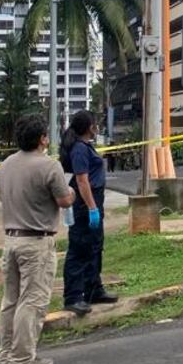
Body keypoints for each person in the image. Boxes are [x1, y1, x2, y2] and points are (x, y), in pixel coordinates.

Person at [0, 114, 74, 364]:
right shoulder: (49, 166)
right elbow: (64, 200)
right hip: (36, 241)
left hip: (11, 239)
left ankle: (5, 354)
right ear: (42, 138)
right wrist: (71, 193)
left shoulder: (6, 164)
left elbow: (1, 197)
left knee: (10, 300)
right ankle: (21, 358)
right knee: (32, 301)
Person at [61, 110, 116, 315]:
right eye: (95, 123)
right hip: (86, 205)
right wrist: (92, 207)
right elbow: (82, 181)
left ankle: (94, 289)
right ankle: (73, 296)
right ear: (89, 126)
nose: (97, 126)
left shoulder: (86, 146)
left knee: (95, 246)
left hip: (94, 202)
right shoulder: (79, 150)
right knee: (79, 249)